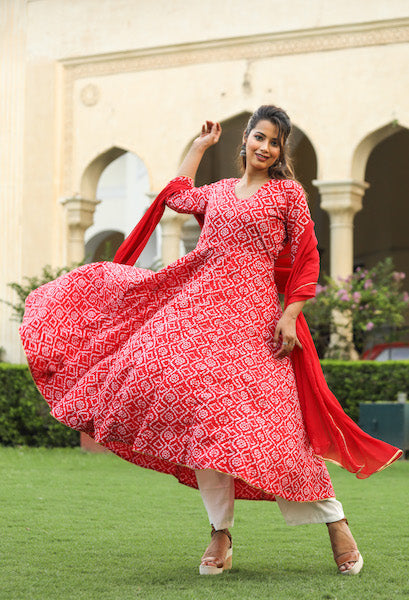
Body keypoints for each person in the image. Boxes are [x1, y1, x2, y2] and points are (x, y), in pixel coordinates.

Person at [20, 105, 401, 577]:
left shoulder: (288, 194)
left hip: (256, 322)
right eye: (258, 137)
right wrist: (198, 148)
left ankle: (334, 521)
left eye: (275, 142)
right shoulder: (218, 192)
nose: (264, 147)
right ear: (244, 139)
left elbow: (306, 258)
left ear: (282, 150)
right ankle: (220, 532)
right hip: (200, 315)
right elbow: (176, 197)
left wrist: (291, 313)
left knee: (275, 429)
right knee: (201, 417)